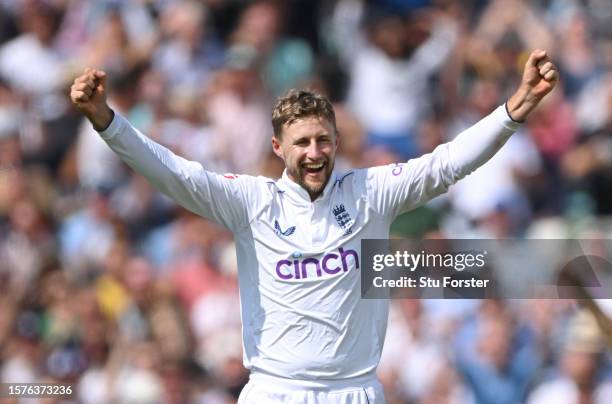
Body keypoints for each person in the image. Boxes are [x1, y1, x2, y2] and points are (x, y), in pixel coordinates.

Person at [70, 49, 558, 403]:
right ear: (279, 148)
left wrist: (515, 109)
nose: (314, 152)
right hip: (275, 391)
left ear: (337, 141)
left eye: (323, 140)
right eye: (301, 142)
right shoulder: (251, 201)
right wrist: (107, 121)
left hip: (355, 391)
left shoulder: (369, 193)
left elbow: (444, 164)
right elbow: (174, 173)